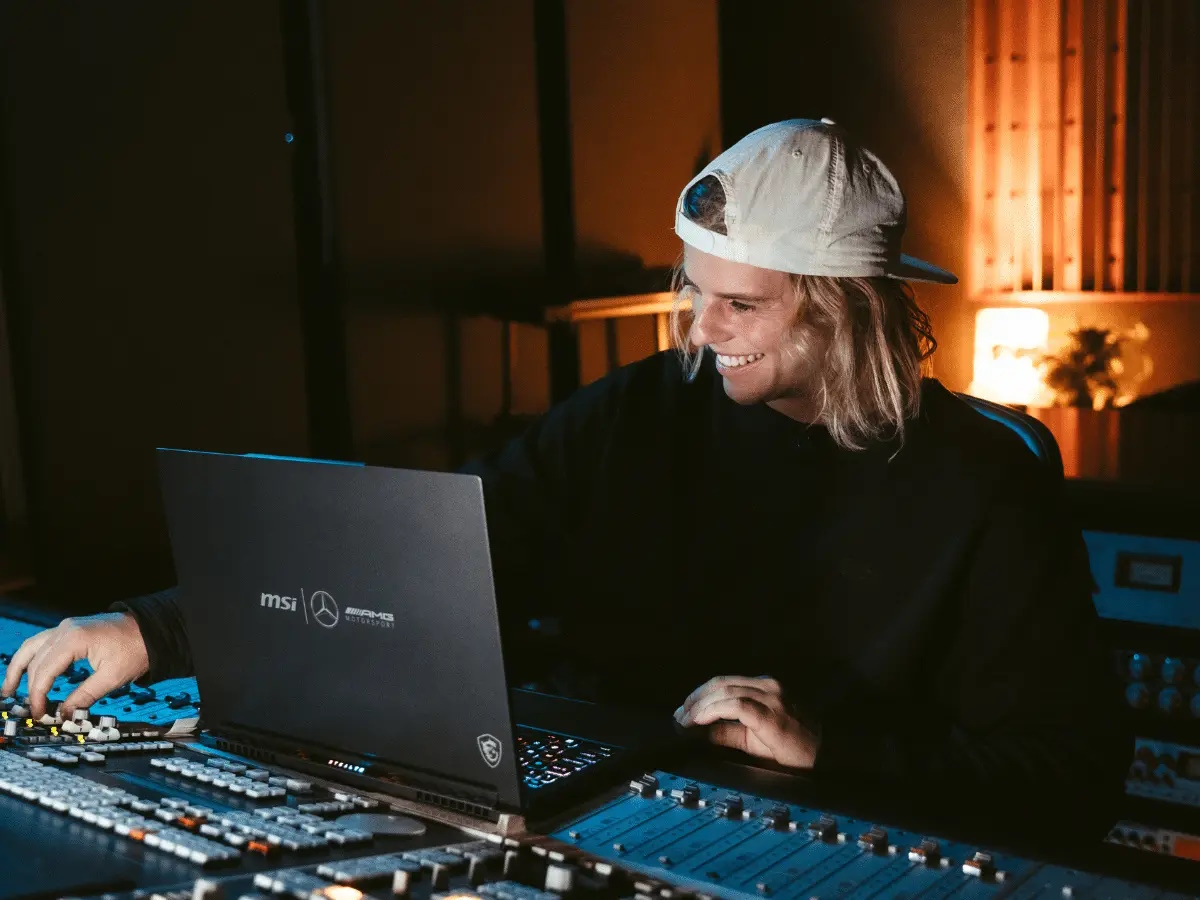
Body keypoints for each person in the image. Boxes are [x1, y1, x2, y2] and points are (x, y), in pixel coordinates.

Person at [2, 120, 1128, 825]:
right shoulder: (643, 409)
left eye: (740, 305)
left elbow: (1071, 771)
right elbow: (425, 560)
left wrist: (837, 751)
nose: (698, 329)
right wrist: (157, 630)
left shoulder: (987, 484)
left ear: (844, 312)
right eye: (694, 289)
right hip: (586, 803)